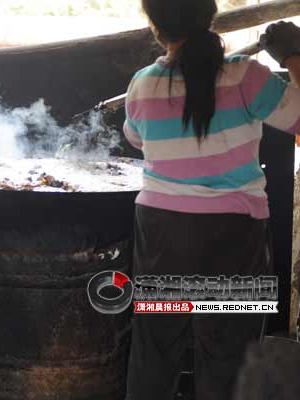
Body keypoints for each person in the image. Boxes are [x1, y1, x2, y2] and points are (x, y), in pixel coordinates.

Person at [123, 1, 300, 399]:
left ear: (154, 25)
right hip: (232, 234)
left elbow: (135, 137)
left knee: (155, 352)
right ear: (210, 15)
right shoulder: (246, 76)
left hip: (162, 232)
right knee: (228, 356)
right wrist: (293, 55)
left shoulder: (141, 84)